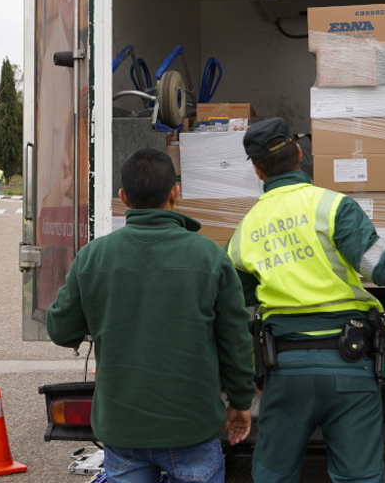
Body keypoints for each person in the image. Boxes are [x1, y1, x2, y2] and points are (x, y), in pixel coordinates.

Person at [227, 117, 385, 483]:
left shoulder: (246, 229)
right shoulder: (333, 207)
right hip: (347, 366)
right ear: (300, 154)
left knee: (272, 477)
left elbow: (236, 304)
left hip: (284, 371)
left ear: (256, 170)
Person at [46, 148, 255, 483]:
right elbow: (236, 339)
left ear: (123, 197)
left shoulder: (92, 258)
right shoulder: (210, 257)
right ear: (176, 192)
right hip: (192, 426)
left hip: (122, 428)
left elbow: (60, 329)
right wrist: (241, 402)